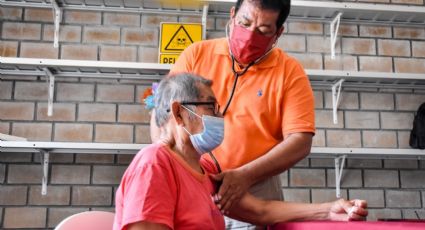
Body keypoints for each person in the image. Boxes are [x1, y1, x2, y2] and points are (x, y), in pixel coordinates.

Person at [114, 73, 368, 230]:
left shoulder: (207, 170)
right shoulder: (154, 165)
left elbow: (260, 211)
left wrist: (329, 211)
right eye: (211, 108)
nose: (220, 117)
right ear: (180, 112)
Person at [150, 1, 315, 227]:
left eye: (263, 31)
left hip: (254, 185)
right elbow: (163, 111)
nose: (249, 36)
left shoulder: (290, 72)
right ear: (232, 15)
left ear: (278, 33)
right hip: (194, 177)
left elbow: (301, 141)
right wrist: (173, 164)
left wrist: (246, 175)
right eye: (244, 23)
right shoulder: (196, 54)